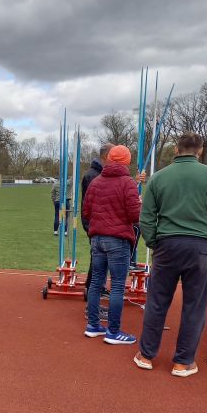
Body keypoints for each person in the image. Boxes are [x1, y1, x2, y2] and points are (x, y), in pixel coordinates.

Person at [134, 132, 207, 377]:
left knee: (157, 302)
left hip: (167, 245)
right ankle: (183, 362)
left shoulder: (159, 178)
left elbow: (146, 217)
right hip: (201, 247)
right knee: (195, 306)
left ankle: (146, 355)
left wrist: (154, 242)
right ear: (200, 151)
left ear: (176, 149)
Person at [82, 145, 141, 344]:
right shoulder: (127, 182)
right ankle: (113, 331)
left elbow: (86, 211)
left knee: (96, 282)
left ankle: (93, 325)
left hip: (97, 238)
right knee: (117, 285)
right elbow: (134, 215)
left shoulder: (96, 181)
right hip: (117, 238)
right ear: (126, 162)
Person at [81, 144, 114, 295]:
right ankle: (92, 288)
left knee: (100, 258)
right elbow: (91, 203)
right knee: (98, 258)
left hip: (99, 222)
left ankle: (96, 287)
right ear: (106, 155)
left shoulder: (99, 173)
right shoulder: (93, 175)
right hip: (95, 223)